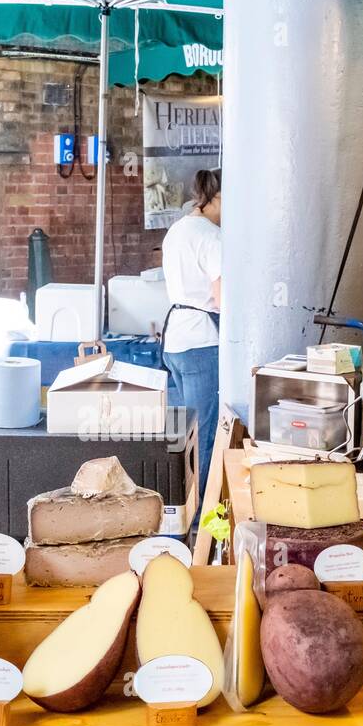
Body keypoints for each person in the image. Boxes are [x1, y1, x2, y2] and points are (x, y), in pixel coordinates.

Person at [161, 168, 223, 502]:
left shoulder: (178, 230)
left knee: (186, 433)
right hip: (202, 344)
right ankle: (198, 519)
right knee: (206, 435)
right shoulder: (211, 236)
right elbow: (221, 298)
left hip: (176, 342)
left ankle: (179, 508)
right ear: (219, 198)